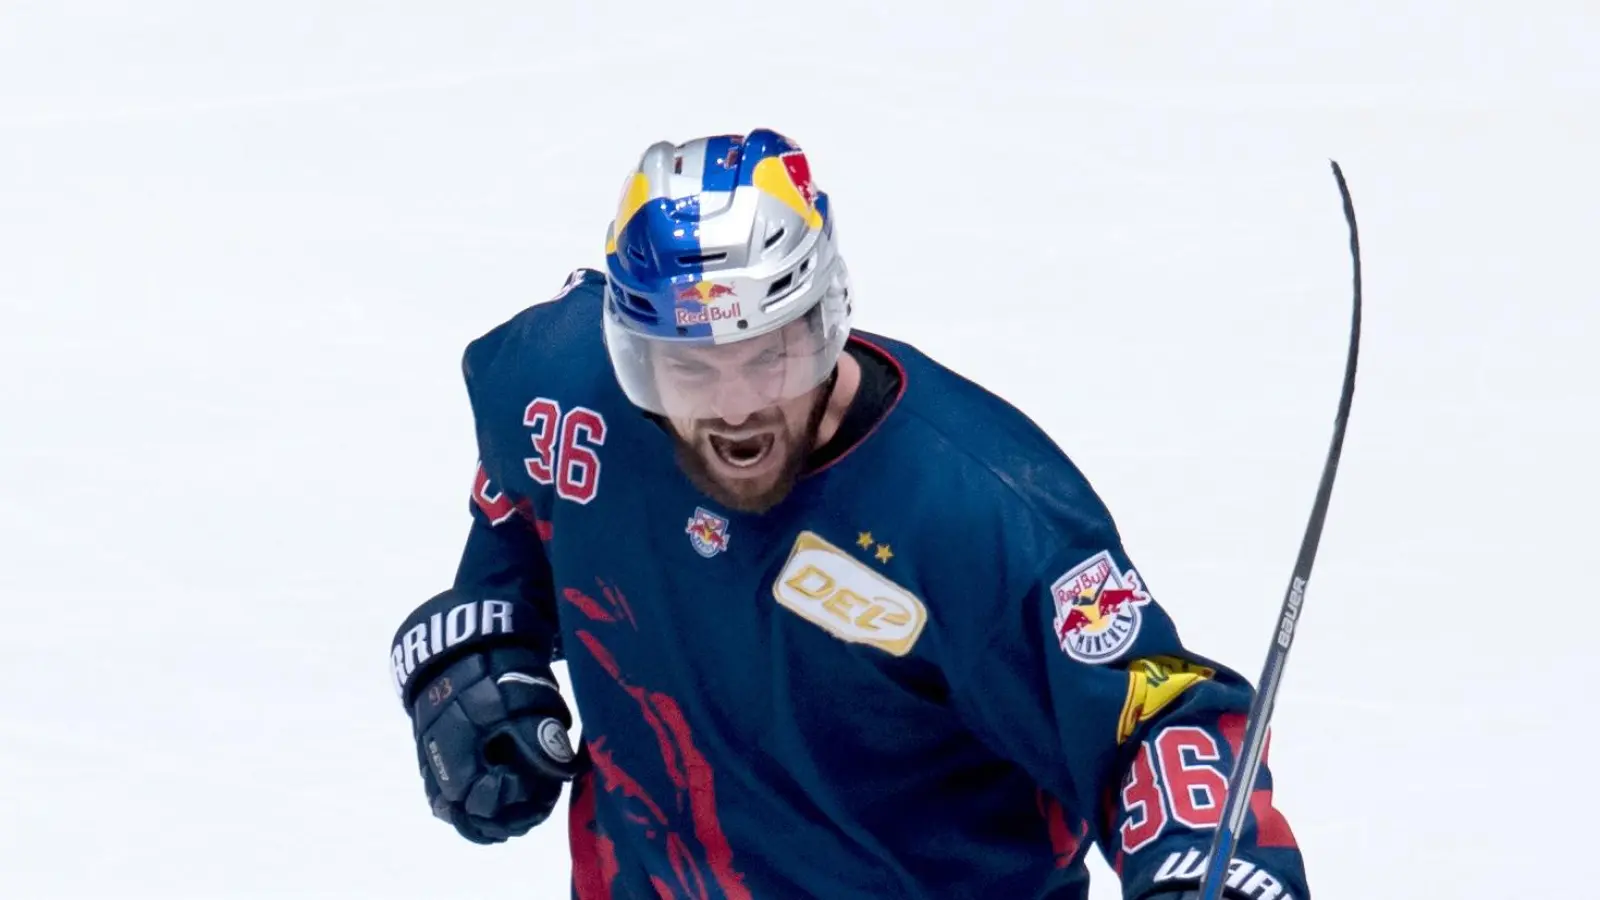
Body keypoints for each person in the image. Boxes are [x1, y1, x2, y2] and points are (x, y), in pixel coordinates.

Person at [388, 128, 1311, 900]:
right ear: (629, 352)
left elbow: (1157, 717)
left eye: (770, 354)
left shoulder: (982, 514)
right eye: (690, 369)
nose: (737, 405)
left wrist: (1210, 868)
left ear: (826, 314)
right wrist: (485, 635)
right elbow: (523, 504)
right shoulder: (562, 389)